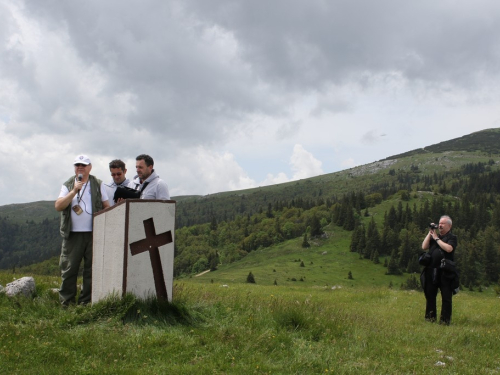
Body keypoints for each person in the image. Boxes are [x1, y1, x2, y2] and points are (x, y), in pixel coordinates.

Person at [55, 154, 110, 306]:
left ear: (89, 167)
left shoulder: (98, 184)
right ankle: (67, 302)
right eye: (77, 165)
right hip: (72, 235)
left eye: (83, 165)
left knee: (91, 270)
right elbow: (59, 206)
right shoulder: (68, 184)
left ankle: (86, 301)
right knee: (69, 269)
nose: (80, 167)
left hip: (93, 234)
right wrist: (74, 191)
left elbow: (106, 206)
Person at [421, 215, 458, 325]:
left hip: (445, 272)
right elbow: (424, 246)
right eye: (439, 223)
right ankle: (430, 319)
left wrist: (437, 238)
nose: (440, 225)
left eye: (443, 224)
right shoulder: (433, 236)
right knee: (430, 296)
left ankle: (445, 321)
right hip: (431, 271)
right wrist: (430, 232)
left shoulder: (452, 237)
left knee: (446, 297)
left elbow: (449, 248)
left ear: (449, 226)